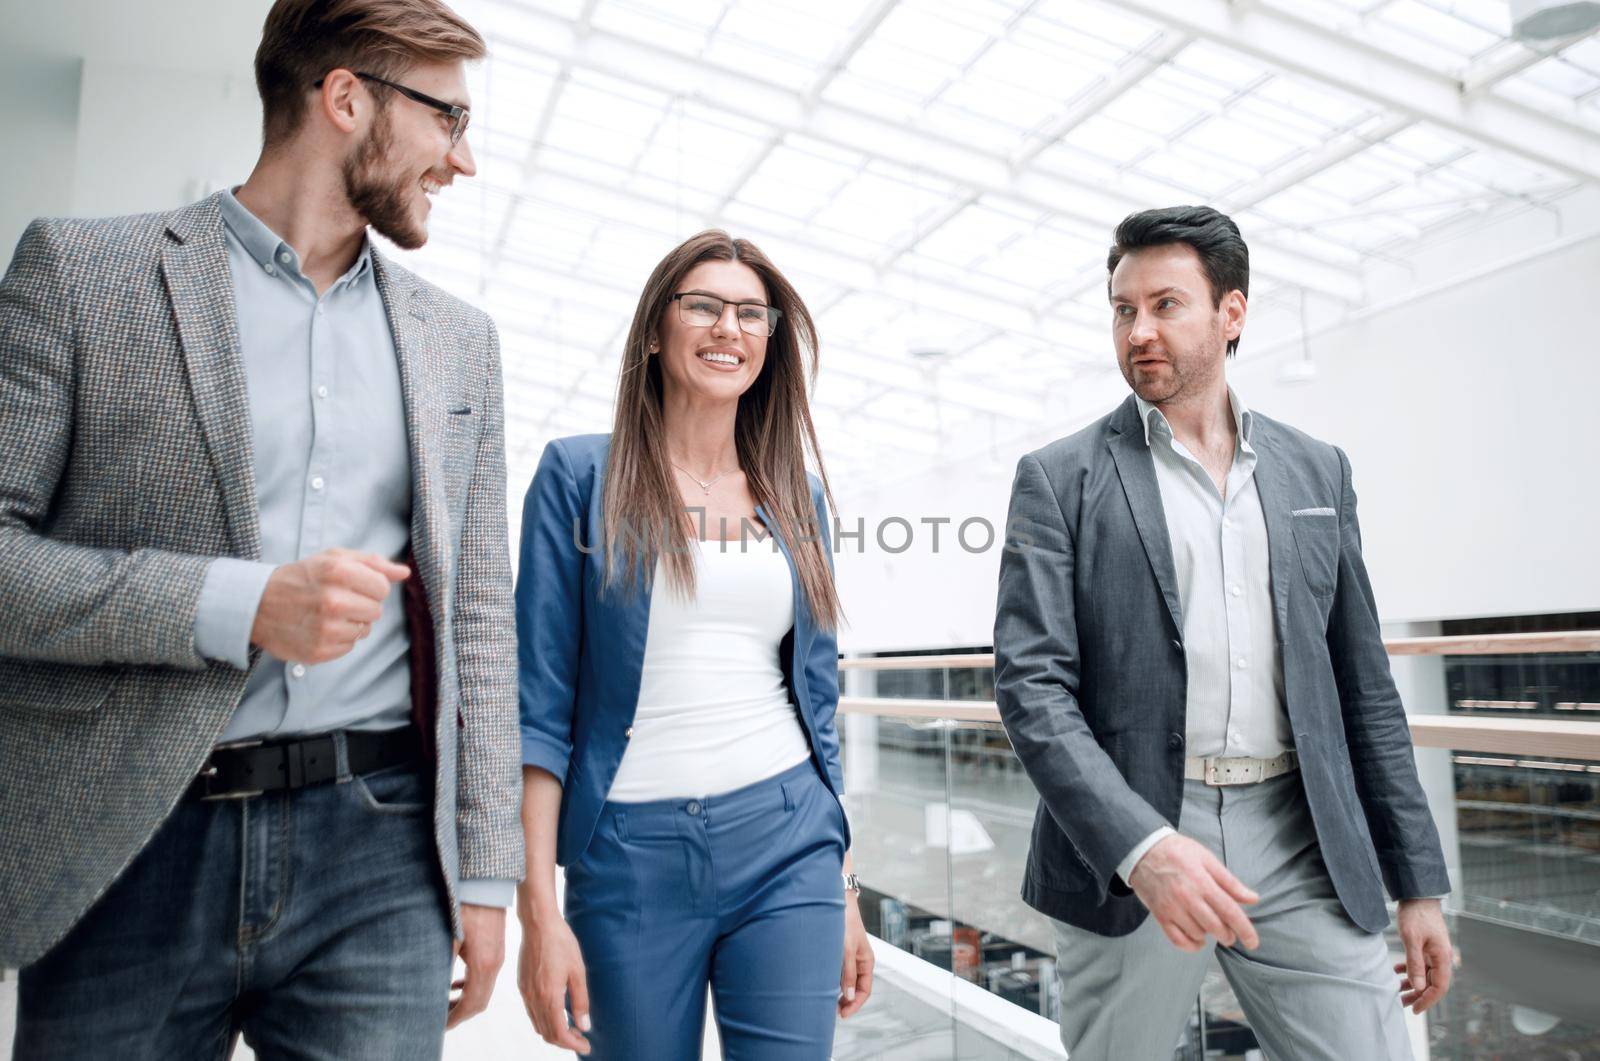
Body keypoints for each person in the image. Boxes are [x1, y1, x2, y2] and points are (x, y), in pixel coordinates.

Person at [0, 1, 521, 1056]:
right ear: (344, 100)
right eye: (447, 121)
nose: (460, 161)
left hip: (377, 845)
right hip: (128, 837)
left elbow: (477, 618)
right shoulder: (83, 276)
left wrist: (484, 870)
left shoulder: (459, 345)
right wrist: (232, 603)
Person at [993, 205, 1454, 1060]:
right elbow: (1030, 688)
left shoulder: (1318, 470)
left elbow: (1365, 688)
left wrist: (1418, 881)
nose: (1139, 331)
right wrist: (1140, 846)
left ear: (1231, 312)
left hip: (1302, 832)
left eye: (1165, 305)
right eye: (1123, 309)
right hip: (1136, 837)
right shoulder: (1059, 479)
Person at [513, 229, 873, 1059]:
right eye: (703, 305)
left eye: (752, 313)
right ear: (654, 330)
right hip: (628, 855)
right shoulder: (578, 476)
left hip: (790, 840)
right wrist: (540, 909)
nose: (729, 328)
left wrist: (846, 887)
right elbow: (538, 708)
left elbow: (816, 704)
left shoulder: (798, 496)